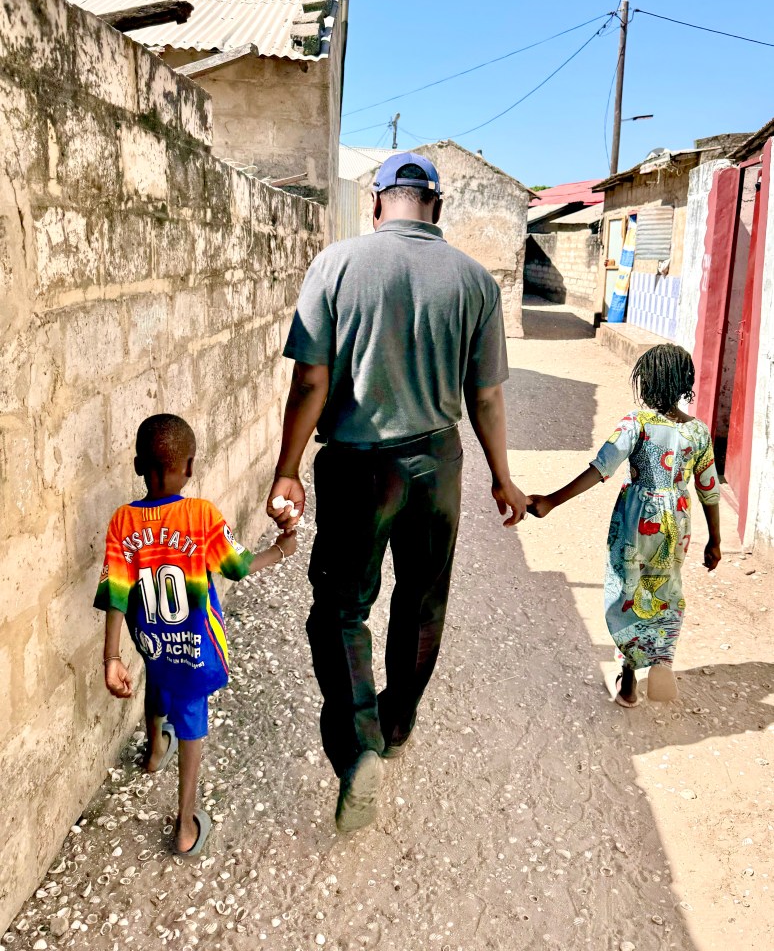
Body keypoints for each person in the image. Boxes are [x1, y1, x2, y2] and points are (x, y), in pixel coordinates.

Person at [266, 151, 529, 834]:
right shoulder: (476, 282)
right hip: (438, 462)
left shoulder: (337, 265)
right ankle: (399, 719)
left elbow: (310, 384)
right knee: (422, 600)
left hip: (358, 465)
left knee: (342, 609)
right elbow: (488, 396)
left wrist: (286, 468)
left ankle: (359, 748)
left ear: (379, 204)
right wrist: (502, 476)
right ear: (436, 208)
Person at [95, 414, 296, 855]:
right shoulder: (201, 515)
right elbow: (238, 567)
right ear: (188, 467)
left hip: (151, 641)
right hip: (194, 648)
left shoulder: (122, 522)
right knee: (190, 720)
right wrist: (282, 549)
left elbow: (116, 595)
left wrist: (111, 659)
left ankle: (152, 753)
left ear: (136, 465)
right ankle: (185, 825)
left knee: (156, 681)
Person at [528, 344, 721, 706]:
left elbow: (602, 466)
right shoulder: (698, 432)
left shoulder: (637, 423)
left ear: (646, 382)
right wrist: (716, 540)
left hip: (636, 519)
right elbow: (708, 488)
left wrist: (551, 500)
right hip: (677, 520)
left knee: (627, 590)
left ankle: (630, 679)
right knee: (665, 587)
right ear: (686, 383)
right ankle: (662, 658)